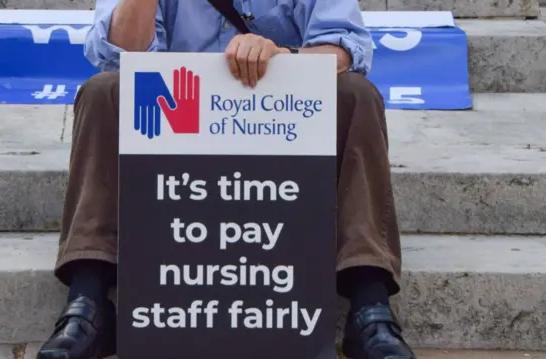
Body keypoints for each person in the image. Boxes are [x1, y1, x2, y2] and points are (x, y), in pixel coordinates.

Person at [35, 1, 416, 359]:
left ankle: (370, 300)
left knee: (357, 94)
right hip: (177, 120)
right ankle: (89, 298)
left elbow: (347, 46)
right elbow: (117, 56)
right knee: (104, 91)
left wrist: (283, 58)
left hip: (279, 118)